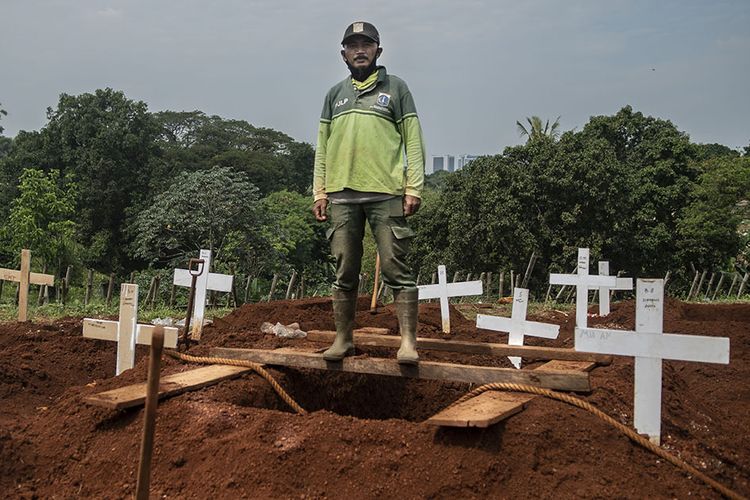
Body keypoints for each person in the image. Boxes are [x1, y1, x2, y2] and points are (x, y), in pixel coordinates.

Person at [312, 21, 426, 365]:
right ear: (343, 53)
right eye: (353, 45)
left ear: (378, 50)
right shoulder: (335, 94)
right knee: (344, 269)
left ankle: (407, 343)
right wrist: (319, 191)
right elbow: (322, 146)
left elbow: (413, 139)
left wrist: (414, 187)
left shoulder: (396, 88)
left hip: (386, 193)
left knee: (396, 267)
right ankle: (343, 339)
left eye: (366, 44)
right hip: (341, 196)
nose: (359, 50)